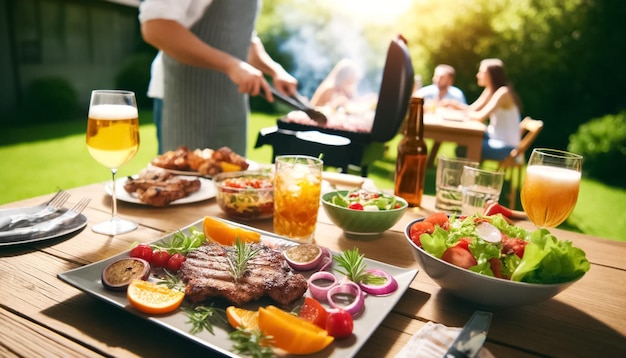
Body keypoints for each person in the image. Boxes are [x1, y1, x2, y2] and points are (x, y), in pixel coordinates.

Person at [139, 0, 298, 156]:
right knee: (184, 176)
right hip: (185, 99)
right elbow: (155, 27)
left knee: (231, 175)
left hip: (230, 102)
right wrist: (231, 65)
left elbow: (241, 37)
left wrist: (274, 70)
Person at [453, 58, 522, 160]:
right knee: (464, 141)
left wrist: (462, 114)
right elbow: (472, 110)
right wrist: (454, 105)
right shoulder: (490, 90)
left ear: (491, 74)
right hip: (494, 137)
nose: (478, 75)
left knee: (464, 147)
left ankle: (471, 174)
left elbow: (480, 117)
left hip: (507, 147)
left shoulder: (503, 93)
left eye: (481, 72)